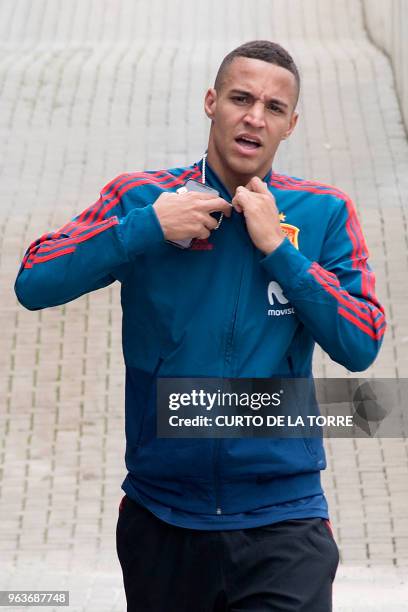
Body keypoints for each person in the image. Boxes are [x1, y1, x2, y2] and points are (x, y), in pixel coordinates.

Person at [15, 40, 386, 611]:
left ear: (291, 125)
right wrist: (145, 228)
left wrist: (279, 252)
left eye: (274, 107)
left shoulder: (322, 212)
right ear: (211, 101)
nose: (254, 117)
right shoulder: (141, 199)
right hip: (162, 518)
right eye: (240, 98)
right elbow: (34, 282)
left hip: (282, 523)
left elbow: (362, 342)